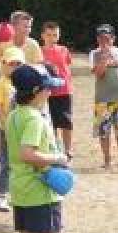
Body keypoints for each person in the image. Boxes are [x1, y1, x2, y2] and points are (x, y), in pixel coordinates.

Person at [5, 64, 68, 233]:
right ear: (35, 91)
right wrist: (57, 158)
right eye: (47, 89)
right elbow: (27, 153)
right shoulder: (34, 119)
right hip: (38, 189)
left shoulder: (15, 113)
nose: (50, 93)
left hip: (20, 187)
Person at [89, 24, 118, 168]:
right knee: (104, 131)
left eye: (107, 38)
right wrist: (104, 57)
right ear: (97, 39)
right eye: (101, 38)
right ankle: (107, 160)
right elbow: (98, 74)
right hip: (102, 99)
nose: (104, 41)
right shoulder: (94, 53)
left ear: (113, 38)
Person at [0, 47, 26, 212]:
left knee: (18, 162)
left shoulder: (23, 84)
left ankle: (12, 193)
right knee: (6, 163)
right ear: (4, 64)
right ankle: (0, 196)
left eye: (19, 64)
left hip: (20, 130)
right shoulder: (2, 83)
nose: (15, 67)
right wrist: (3, 124)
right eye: (12, 64)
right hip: (6, 130)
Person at [40, 22, 75, 159]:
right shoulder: (39, 51)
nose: (52, 38)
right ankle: (54, 148)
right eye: (49, 35)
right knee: (51, 122)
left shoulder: (64, 50)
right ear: (43, 35)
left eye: (55, 35)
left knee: (66, 121)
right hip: (48, 91)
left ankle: (68, 149)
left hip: (65, 91)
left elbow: (67, 66)